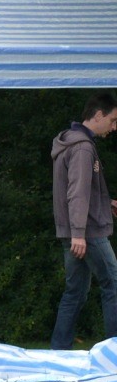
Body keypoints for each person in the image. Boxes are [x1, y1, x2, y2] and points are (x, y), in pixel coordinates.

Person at [50, 91, 117, 349]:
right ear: (98, 115)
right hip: (87, 232)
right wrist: (79, 233)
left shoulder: (70, 142)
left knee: (75, 293)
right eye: (112, 120)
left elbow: (79, 189)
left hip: (74, 231)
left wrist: (106, 203)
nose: (114, 127)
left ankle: (58, 352)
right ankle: (113, 353)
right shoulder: (82, 147)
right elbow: (77, 192)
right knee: (113, 285)